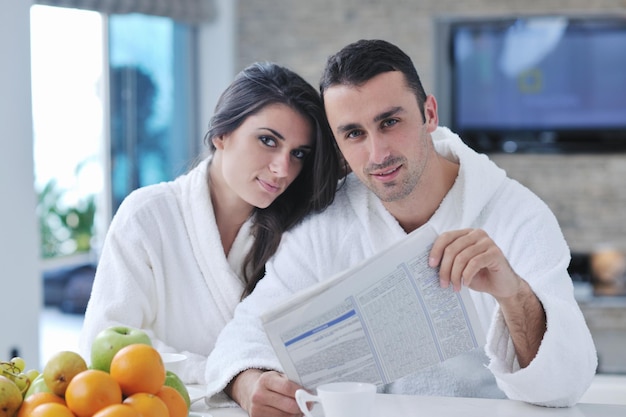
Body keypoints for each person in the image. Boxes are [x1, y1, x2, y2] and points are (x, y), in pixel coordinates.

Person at [202, 39, 597, 415]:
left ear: (429, 113)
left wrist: (514, 295)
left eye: (390, 122)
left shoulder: (516, 215)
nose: (377, 154)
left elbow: (565, 384)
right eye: (354, 133)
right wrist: (248, 382)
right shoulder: (328, 221)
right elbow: (246, 335)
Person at [79, 62, 341, 384]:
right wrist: (229, 376)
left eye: (299, 154)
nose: (283, 169)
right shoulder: (147, 216)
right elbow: (105, 345)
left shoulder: (299, 228)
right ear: (221, 134)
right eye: (268, 141)